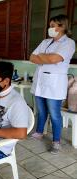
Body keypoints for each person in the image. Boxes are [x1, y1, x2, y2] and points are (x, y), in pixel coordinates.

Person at [30, 14, 75, 154]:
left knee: (55, 114)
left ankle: (56, 142)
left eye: (53, 26)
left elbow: (55, 59)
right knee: (41, 111)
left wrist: (42, 57)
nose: (50, 28)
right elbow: (32, 57)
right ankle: (39, 132)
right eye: (50, 26)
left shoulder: (68, 43)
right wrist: (46, 58)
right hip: (40, 81)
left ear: (62, 26)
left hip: (54, 85)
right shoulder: (45, 42)